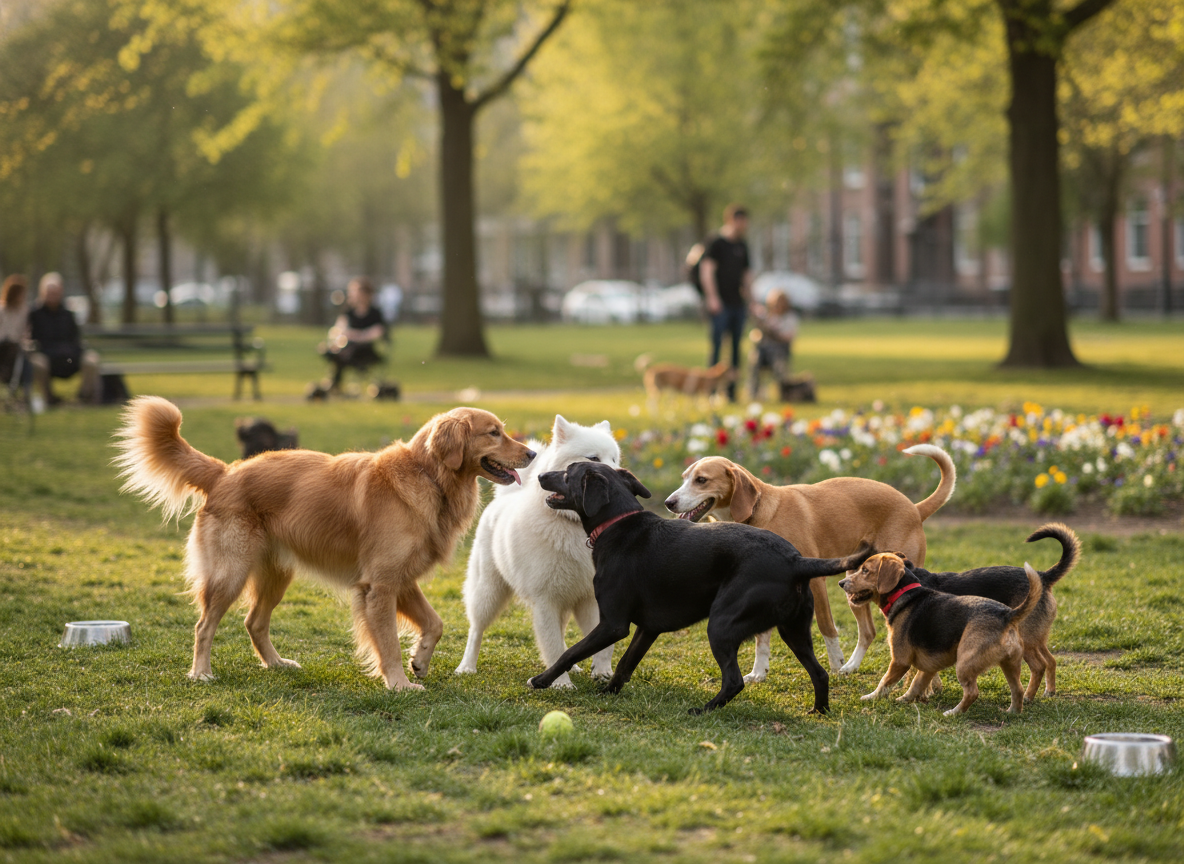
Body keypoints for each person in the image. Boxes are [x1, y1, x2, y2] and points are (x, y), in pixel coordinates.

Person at [699, 204, 752, 402]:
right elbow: (707, 271)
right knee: (717, 346)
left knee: (736, 348)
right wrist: (713, 298)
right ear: (731, 220)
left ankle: (731, 392)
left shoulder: (742, 245)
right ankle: (711, 391)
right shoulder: (716, 243)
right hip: (720, 305)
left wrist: (751, 300)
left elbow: (746, 274)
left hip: (737, 303)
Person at [28, 272, 100, 406]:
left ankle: (84, 398)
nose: (52, 296)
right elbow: (30, 338)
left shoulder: (68, 314)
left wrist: (76, 351)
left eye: (55, 292)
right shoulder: (34, 314)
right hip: (47, 357)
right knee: (38, 363)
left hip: (70, 357)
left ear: (61, 292)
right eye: (49, 293)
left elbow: (76, 338)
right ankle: (48, 399)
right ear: (42, 292)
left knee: (92, 360)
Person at [319, 276, 386, 391]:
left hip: (365, 350)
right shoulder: (348, 312)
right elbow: (338, 330)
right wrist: (339, 339)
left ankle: (335, 384)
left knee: (346, 352)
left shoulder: (375, 313)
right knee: (334, 351)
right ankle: (335, 384)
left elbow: (376, 332)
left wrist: (355, 336)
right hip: (347, 346)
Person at [747, 289, 799, 401]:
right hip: (763, 353)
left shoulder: (790, 318)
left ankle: (784, 392)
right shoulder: (767, 316)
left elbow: (788, 337)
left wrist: (774, 333)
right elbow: (756, 335)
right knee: (756, 356)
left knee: (775, 355)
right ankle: (753, 393)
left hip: (780, 351)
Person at [1, 275, 33, 408]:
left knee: (26, 363)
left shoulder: (24, 311)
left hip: (16, 348)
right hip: (3, 347)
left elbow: (24, 332)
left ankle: (25, 394)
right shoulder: (2, 311)